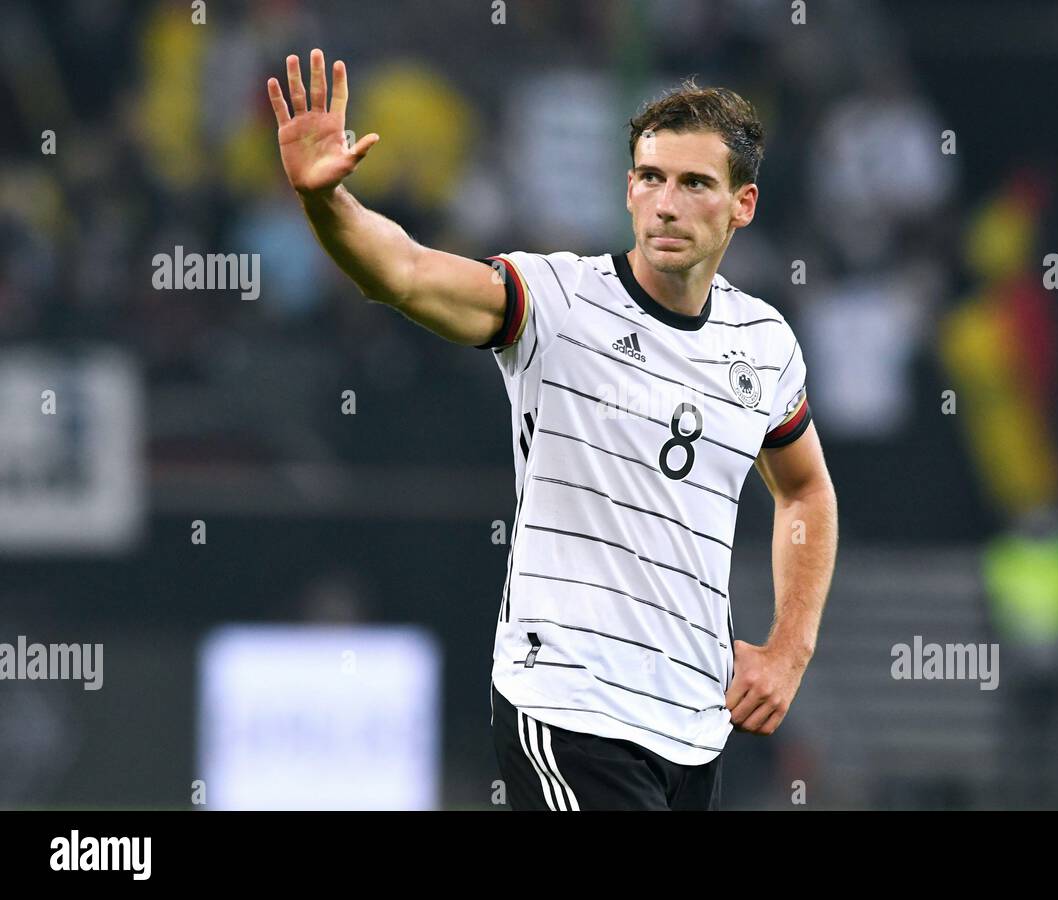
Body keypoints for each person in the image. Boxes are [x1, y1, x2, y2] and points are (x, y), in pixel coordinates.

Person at [267, 49, 838, 810]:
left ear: (744, 205)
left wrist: (789, 650)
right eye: (650, 178)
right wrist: (327, 205)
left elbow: (805, 494)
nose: (666, 203)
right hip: (568, 703)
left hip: (692, 724)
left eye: (695, 183)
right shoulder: (556, 303)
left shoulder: (763, 345)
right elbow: (400, 273)